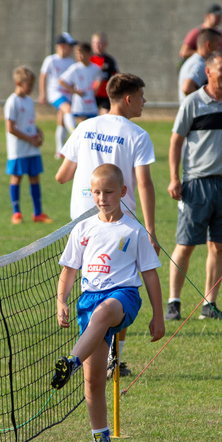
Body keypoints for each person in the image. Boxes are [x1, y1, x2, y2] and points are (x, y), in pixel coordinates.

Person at [51, 163, 164, 442]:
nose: (102, 198)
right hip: (89, 300)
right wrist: (62, 301)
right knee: (94, 380)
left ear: (123, 193)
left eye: (109, 192)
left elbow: (150, 274)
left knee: (105, 311)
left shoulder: (134, 230)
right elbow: (69, 270)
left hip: (123, 297)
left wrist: (158, 315)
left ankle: (70, 361)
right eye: (96, 192)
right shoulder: (83, 229)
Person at [56, 73, 158, 378]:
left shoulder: (84, 126)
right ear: (128, 99)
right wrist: (150, 229)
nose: (144, 101)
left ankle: (98, 358)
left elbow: (62, 175)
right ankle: (110, 358)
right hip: (117, 224)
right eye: (141, 96)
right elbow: (143, 182)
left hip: (83, 222)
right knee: (119, 284)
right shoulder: (137, 134)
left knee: (95, 285)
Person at [165, 51, 222, 323]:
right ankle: (174, 302)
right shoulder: (192, 103)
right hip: (196, 185)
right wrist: (174, 177)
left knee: (218, 246)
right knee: (185, 244)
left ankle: (210, 304)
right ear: (208, 72)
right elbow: (175, 142)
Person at [4, 66, 52, 224]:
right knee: (17, 178)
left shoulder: (29, 101)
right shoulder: (12, 102)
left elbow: (29, 122)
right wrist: (29, 139)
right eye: (29, 85)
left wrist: (38, 133)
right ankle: (16, 213)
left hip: (32, 147)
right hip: (18, 149)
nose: (32, 88)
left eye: (32, 84)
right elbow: (10, 128)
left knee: (35, 177)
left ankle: (38, 213)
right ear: (19, 83)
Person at [39, 32, 77, 159]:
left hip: (68, 94)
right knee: (67, 109)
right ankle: (76, 135)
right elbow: (43, 76)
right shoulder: (51, 60)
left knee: (61, 119)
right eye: (69, 45)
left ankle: (59, 151)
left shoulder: (71, 62)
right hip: (55, 93)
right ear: (61, 46)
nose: (71, 48)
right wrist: (43, 94)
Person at [58, 43, 101, 129]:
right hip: (80, 103)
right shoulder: (75, 68)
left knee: (92, 127)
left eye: (81, 54)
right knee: (83, 127)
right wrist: (75, 91)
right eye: (77, 54)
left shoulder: (95, 68)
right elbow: (61, 80)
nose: (78, 57)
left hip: (91, 103)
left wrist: (95, 89)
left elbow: (99, 78)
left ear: (88, 54)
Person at [177, 28, 222, 102]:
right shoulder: (199, 65)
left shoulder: (193, 61)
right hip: (195, 113)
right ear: (209, 45)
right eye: (218, 45)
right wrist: (205, 103)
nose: (220, 49)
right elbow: (187, 88)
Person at [90, 32, 119, 115]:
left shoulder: (110, 60)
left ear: (105, 44)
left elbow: (116, 75)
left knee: (105, 114)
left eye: (99, 43)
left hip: (105, 94)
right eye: (94, 43)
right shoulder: (89, 60)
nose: (97, 46)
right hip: (91, 93)